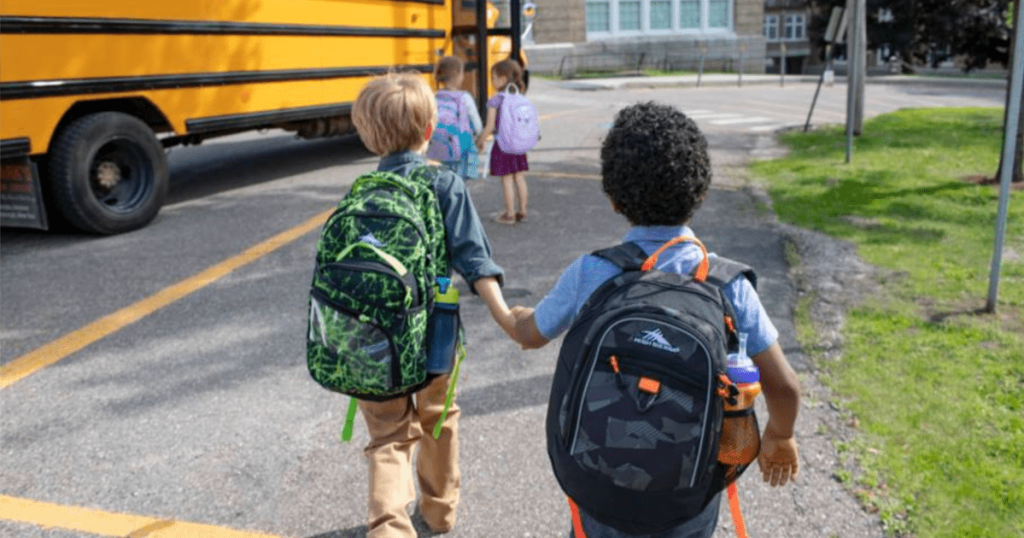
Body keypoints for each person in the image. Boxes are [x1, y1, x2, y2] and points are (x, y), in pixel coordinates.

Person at [505, 102, 802, 538]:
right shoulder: (728, 285)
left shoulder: (594, 271)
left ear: (612, 197)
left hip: (600, 491)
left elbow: (528, 334)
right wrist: (780, 437)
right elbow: (785, 386)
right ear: (700, 191)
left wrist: (506, 310)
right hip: (687, 497)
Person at [349, 71, 515, 538]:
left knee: (387, 436)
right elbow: (475, 260)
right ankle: (439, 511)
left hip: (370, 341)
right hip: (434, 337)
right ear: (430, 130)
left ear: (367, 135)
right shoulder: (443, 184)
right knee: (439, 418)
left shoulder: (361, 191)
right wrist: (506, 317)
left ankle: (387, 528)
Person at [476, 58, 530, 225]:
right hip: (519, 143)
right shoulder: (519, 97)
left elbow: (490, 126)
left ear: (504, 79)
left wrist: (480, 139)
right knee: (519, 178)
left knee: (507, 180)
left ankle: (509, 214)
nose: (492, 81)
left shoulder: (495, 100)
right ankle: (522, 210)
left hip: (503, 144)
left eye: (494, 77)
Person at [432, 56, 483, 179]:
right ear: (457, 75)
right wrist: (480, 139)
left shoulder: (435, 96)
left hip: (441, 146)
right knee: (460, 182)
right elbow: (477, 124)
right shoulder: (465, 97)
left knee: (444, 178)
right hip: (461, 147)